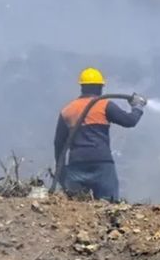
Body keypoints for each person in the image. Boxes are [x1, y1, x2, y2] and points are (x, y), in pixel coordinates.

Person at [53, 67, 146, 202]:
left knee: (76, 207)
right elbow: (130, 121)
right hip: (101, 164)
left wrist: (60, 171)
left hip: (76, 165)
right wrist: (138, 107)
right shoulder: (104, 105)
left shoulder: (68, 110)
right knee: (109, 204)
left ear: (82, 87)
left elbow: (58, 143)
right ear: (101, 87)